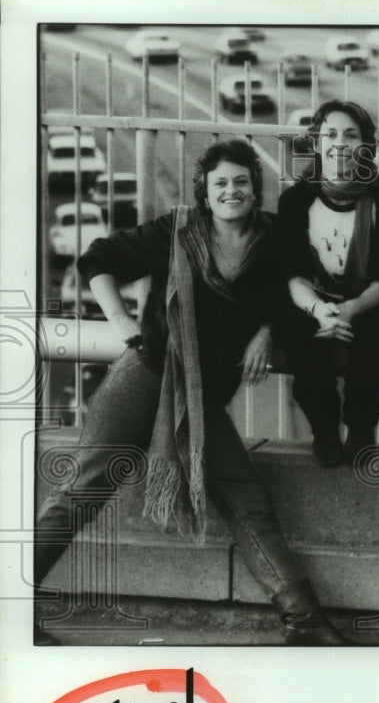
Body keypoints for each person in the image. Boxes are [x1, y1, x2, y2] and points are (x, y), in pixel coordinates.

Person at [34, 139, 348, 645]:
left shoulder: (272, 239)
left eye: (241, 182)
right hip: (147, 377)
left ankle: (305, 622)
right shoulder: (177, 231)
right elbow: (97, 259)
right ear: (204, 190)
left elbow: (288, 290)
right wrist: (119, 320)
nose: (232, 191)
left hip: (198, 400)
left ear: (254, 187)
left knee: (247, 500)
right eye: (220, 183)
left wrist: (267, 328)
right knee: (80, 495)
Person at [277, 99, 379, 466]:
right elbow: (292, 274)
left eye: (351, 135)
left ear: (365, 145)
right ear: (316, 143)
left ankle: (361, 428)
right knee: (302, 338)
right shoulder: (295, 200)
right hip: (312, 299)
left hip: (368, 300)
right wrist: (321, 311)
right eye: (330, 134)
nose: (340, 144)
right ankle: (325, 429)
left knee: (374, 334)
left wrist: (351, 309)